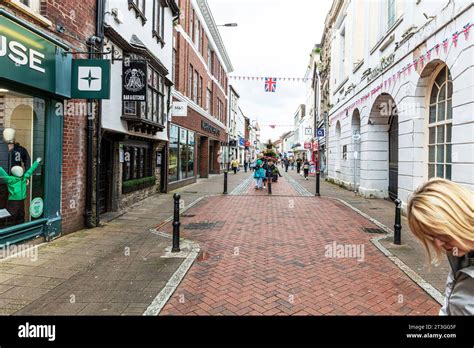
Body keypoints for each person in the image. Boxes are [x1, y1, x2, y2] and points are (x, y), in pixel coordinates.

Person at [407, 178, 474, 315]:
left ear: (460, 216)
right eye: (431, 236)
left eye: (440, 232)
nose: (438, 243)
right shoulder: (460, 254)